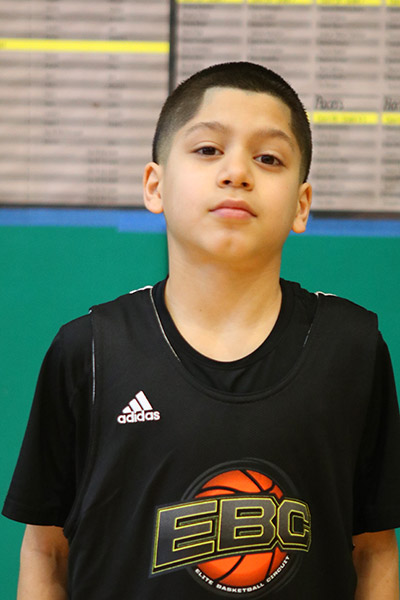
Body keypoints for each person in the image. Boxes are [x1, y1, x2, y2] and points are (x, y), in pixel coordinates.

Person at [3, 62, 400, 600]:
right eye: (209, 149)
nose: (237, 172)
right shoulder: (88, 351)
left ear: (301, 204)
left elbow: (374, 549)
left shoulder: (352, 348)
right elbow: (46, 551)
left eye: (268, 158)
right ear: (155, 186)